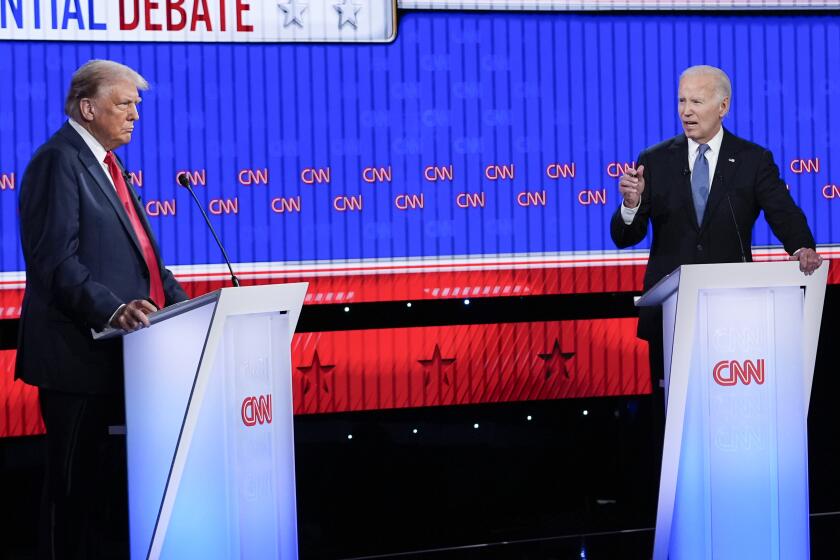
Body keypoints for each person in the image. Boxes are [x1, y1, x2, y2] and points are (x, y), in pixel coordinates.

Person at [15, 60, 188, 559]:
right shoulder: (58, 161)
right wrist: (113, 311)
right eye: (124, 104)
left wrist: (185, 303)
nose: (135, 114)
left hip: (126, 359)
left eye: (137, 105)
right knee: (72, 495)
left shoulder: (109, 165)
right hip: (77, 361)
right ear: (88, 108)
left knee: (108, 500)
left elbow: (144, 259)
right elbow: (54, 262)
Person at [610, 64, 822, 388]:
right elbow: (627, 236)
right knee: (668, 416)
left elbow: (784, 213)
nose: (686, 112)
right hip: (672, 313)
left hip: (734, 314)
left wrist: (802, 247)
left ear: (723, 106)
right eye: (682, 101)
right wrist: (631, 205)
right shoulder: (654, 160)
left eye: (696, 102)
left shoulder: (753, 160)